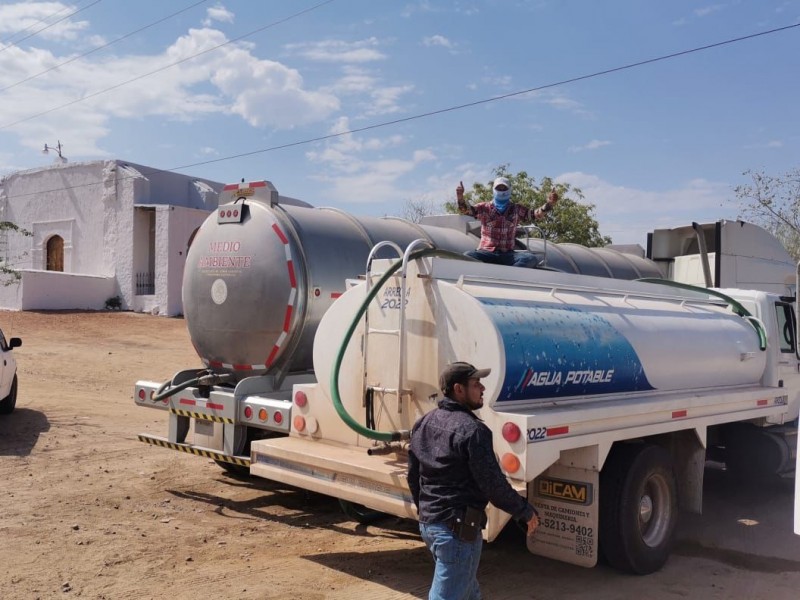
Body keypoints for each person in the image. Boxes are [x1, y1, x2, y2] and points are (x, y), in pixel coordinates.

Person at [408, 362, 539, 600]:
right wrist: (524, 511)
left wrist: (427, 512)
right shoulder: (473, 431)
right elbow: (492, 484)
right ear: (459, 389)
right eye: (476, 383)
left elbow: (413, 475)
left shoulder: (424, 422)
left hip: (431, 525)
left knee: (467, 591)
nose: (482, 388)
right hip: (457, 531)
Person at [457, 176, 558, 267]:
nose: (501, 191)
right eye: (499, 188)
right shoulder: (484, 207)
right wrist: (460, 198)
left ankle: (511, 275)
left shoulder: (516, 209)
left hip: (507, 254)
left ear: (509, 190)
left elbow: (535, 215)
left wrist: (549, 204)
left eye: (504, 188)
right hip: (486, 252)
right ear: (494, 190)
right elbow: (466, 210)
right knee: (468, 256)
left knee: (530, 258)